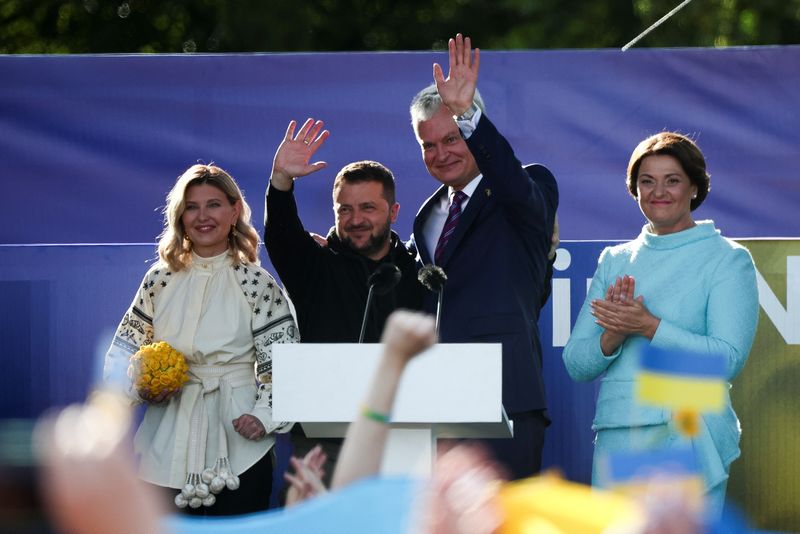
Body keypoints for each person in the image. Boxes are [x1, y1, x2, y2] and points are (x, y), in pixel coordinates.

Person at [562, 132, 759, 515]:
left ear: (695, 188)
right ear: (634, 190)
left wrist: (650, 326)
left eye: (672, 180)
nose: (659, 192)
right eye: (647, 181)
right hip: (621, 435)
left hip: (688, 434)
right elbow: (576, 363)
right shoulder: (615, 261)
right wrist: (614, 334)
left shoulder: (727, 259)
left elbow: (726, 360)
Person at [103, 164, 298, 516]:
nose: (202, 216)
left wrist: (264, 416)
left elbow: (285, 362)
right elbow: (123, 352)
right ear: (180, 216)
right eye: (192, 206)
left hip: (240, 444)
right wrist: (140, 388)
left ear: (234, 210)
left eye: (214, 204)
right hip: (165, 439)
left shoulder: (256, 283)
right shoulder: (159, 279)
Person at [408, 34, 559, 479]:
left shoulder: (526, 188)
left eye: (453, 137)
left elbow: (512, 183)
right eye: (428, 145)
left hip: (505, 396)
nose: (441, 154)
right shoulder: (427, 217)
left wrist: (468, 114)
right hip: (440, 404)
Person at [264, 118, 425, 344]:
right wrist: (281, 180)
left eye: (367, 208)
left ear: (393, 212)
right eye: (345, 210)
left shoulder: (418, 272)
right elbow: (282, 235)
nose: (356, 219)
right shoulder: (315, 268)